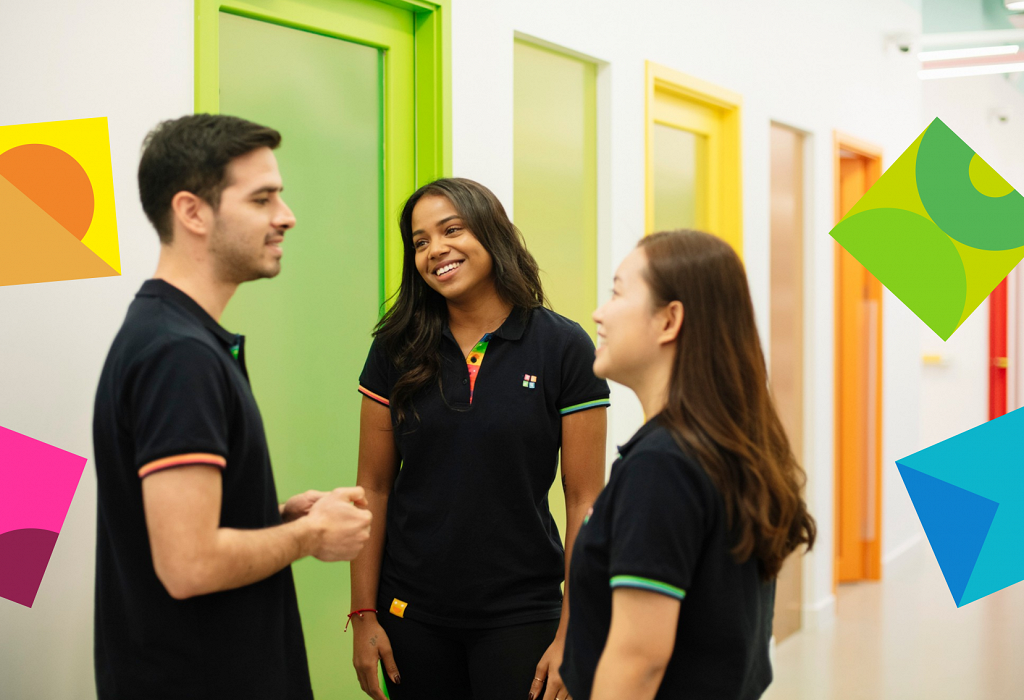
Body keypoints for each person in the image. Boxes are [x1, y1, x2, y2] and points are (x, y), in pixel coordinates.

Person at [92, 114, 373, 700]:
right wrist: (312, 536)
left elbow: (183, 532)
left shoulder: (172, 336)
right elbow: (189, 564)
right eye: (262, 199)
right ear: (193, 212)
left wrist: (280, 520)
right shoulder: (179, 355)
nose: (286, 216)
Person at [349, 178, 610, 700]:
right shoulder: (395, 348)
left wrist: (574, 629)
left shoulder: (563, 346)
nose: (435, 249)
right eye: (420, 241)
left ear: (492, 234)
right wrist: (363, 615)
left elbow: (584, 498)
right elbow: (372, 487)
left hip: (522, 614)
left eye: (452, 230)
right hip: (411, 613)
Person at [560, 230, 817, 700]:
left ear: (669, 320)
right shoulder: (722, 446)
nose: (599, 313)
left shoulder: (662, 467)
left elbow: (638, 661)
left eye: (617, 293)